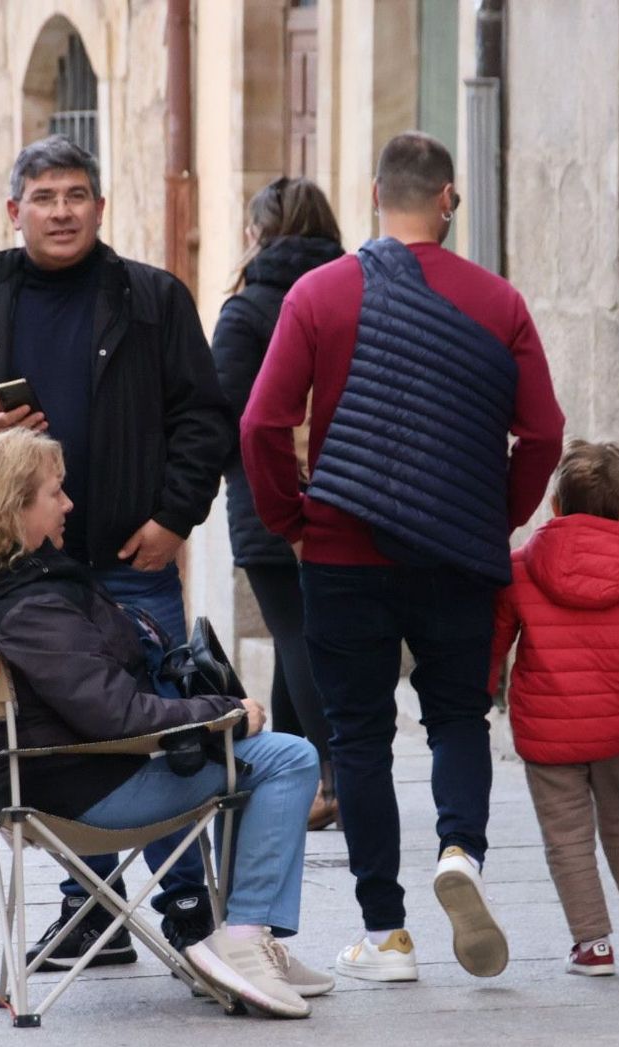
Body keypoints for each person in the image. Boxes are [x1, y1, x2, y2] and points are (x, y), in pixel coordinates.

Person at [242, 131, 565, 981]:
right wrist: (496, 514)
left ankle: (386, 935)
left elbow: (262, 424)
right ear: (448, 198)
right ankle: (460, 850)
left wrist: (292, 518)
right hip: (458, 551)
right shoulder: (500, 302)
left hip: (344, 551)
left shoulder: (318, 294)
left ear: (373, 192)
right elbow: (544, 431)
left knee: (360, 734)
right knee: (459, 715)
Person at [0, 136, 232, 968]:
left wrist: (175, 516)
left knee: (164, 725)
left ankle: (191, 907)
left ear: (99, 206)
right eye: (44, 196)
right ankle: (92, 909)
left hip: (134, 561)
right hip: (25, 580)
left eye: (77, 194)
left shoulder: (153, 297)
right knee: (58, 740)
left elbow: (204, 418)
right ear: (14, 210)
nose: (62, 211)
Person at [0, 428, 327, 1019]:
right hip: (86, 790)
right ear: (13, 507)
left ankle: (253, 939)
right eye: (55, 492)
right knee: (287, 757)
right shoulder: (28, 604)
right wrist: (219, 715)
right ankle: (246, 939)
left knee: (247, 757)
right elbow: (114, 715)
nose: (69, 504)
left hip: (52, 779)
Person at [490, 440, 619, 977]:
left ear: (554, 505)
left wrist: (478, 695)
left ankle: (592, 944)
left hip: (548, 728)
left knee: (566, 835)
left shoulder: (522, 569)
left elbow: (494, 641)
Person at [212, 176, 345, 831]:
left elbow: (224, 414)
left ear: (256, 233)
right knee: (306, 635)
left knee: (299, 637)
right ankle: (297, 781)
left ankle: (338, 775)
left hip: (268, 499)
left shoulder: (248, 310)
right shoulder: (355, 292)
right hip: (347, 491)